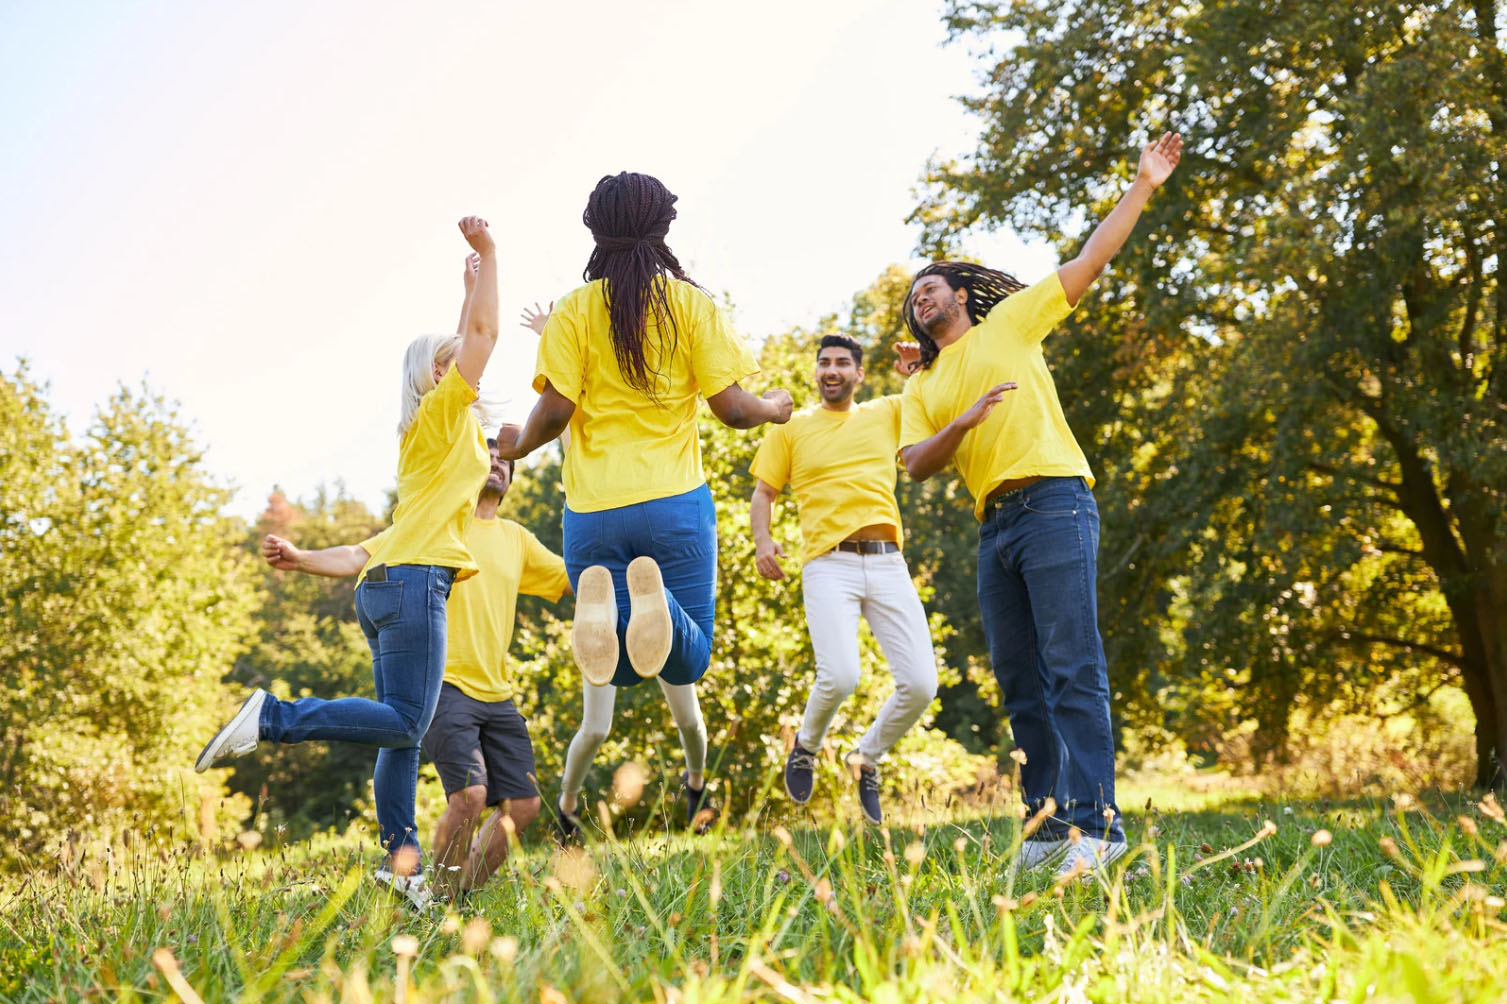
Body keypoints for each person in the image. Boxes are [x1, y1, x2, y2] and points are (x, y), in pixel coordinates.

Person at [898, 132, 1183, 878]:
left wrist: (1143, 184)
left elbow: (1091, 260)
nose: (919, 298)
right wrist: (959, 423)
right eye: (909, 300)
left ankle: (1098, 829)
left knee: (1070, 665)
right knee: (1020, 678)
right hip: (995, 527)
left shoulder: (1010, 323)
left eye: (929, 287)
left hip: (1055, 502)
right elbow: (916, 465)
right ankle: (1046, 828)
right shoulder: (921, 388)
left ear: (959, 294)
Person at [196, 217, 501, 909]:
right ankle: (274, 718)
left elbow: (367, 551)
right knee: (403, 724)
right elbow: (479, 340)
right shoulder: (445, 417)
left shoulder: (429, 438)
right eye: (454, 357)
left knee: (402, 737)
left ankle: (404, 867)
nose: (472, 362)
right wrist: (488, 255)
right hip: (414, 588)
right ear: (442, 373)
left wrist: (303, 560)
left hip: (384, 585)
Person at [497, 171, 792, 838]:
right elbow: (733, 410)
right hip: (672, 504)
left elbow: (552, 413)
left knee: (620, 666)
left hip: (592, 515)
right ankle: (655, 603)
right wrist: (774, 408)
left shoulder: (573, 311)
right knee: (686, 657)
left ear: (593, 229)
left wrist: (512, 454)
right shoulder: (688, 305)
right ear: (662, 226)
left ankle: (624, 602)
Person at [260, 436, 568, 902]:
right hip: (443, 683)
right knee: (470, 798)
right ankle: (434, 901)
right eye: (488, 455)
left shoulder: (517, 539)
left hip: (498, 694)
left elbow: (573, 579)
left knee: (523, 805)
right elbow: (360, 555)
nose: (498, 464)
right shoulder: (436, 527)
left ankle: (455, 898)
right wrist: (301, 560)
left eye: (506, 461)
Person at [749, 335, 935, 825]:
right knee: (842, 676)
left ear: (859, 374)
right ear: (817, 373)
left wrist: (921, 366)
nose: (832, 370)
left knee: (920, 685)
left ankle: (865, 758)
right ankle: (806, 748)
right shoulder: (792, 428)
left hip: (889, 561)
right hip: (828, 564)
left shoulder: (888, 410)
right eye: (824, 363)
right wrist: (763, 541)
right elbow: (764, 491)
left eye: (842, 363)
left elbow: (932, 405)